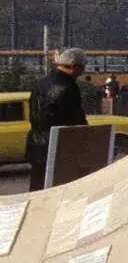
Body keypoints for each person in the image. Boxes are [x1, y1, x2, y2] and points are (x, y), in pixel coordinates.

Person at [26, 47, 89, 191]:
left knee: (37, 188)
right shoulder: (68, 87)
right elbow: (76, 121)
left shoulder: (40, 83)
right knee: (58, 191)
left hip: (36, 144)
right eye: (82, 68)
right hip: (58, 146)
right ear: (73, 66)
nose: (83, 72)